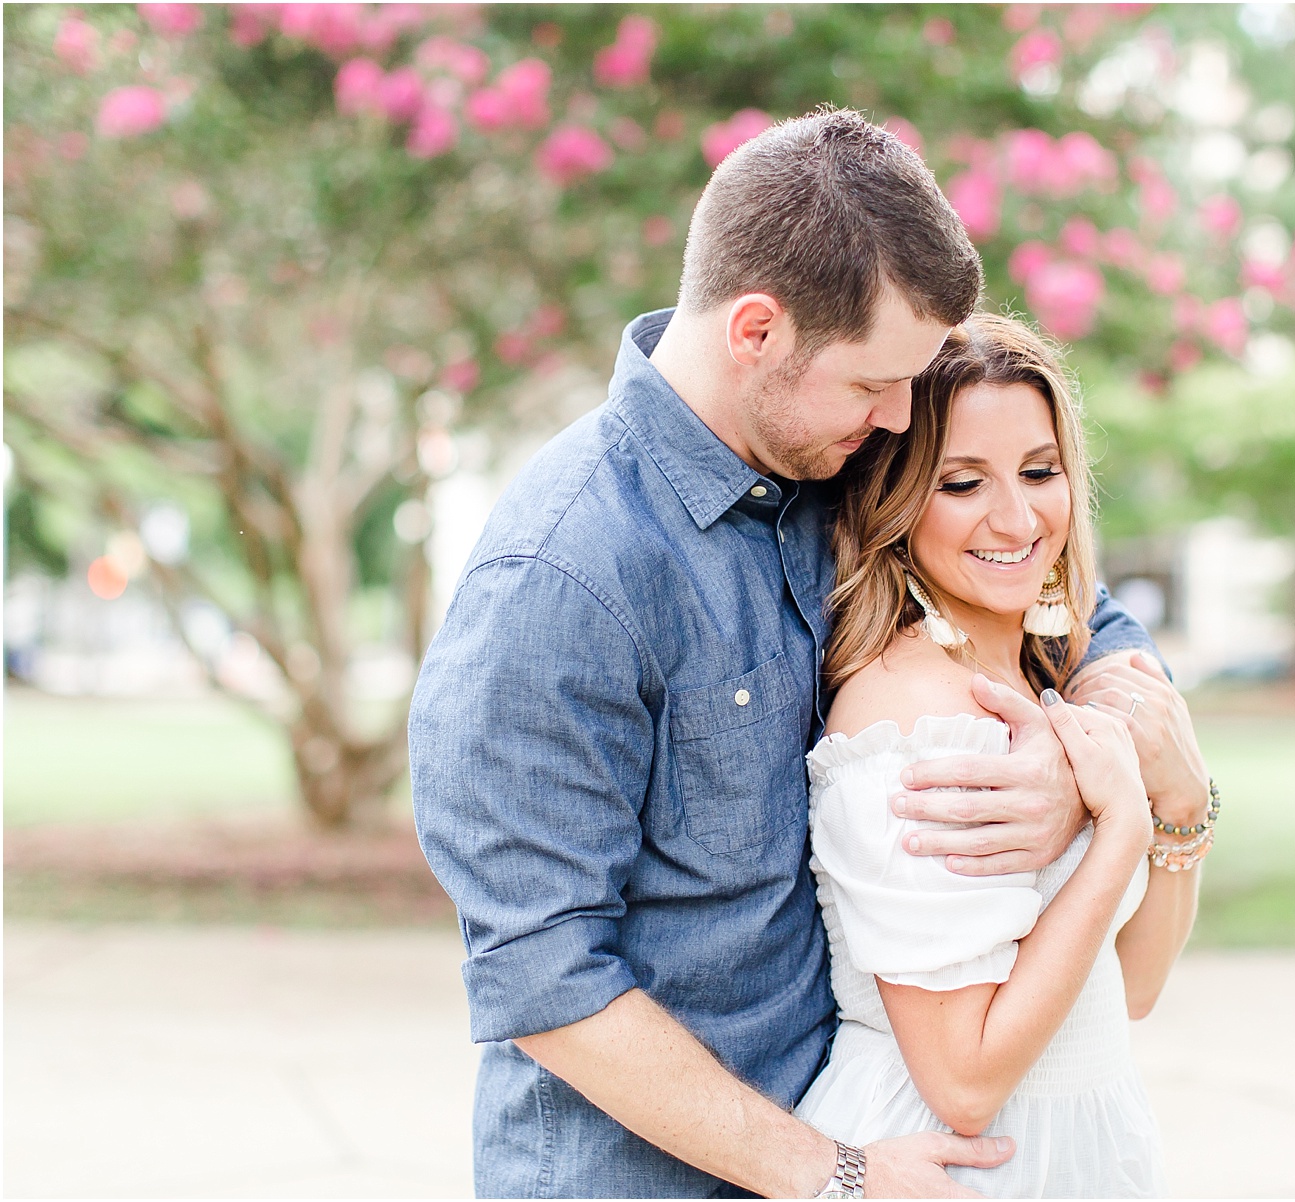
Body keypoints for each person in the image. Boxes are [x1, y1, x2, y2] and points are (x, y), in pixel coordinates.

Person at [409, 108, 1174, 1198]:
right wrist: (836, 1173)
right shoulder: (561, 575)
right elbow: (544, 977)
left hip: (849, 1112)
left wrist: (1069, 749)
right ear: (756, 330)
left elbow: (1070, 603)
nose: (903, 415)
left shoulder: (833, 463)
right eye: (874, 383)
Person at [793, 314, 1214, 1197]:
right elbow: (966, 1081)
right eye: (961, 483)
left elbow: (1128, 989)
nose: (1017, 517)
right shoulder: (906, 719)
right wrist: (1123, 829)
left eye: (1039, 471)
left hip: (1077, 1146)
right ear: (897, 503)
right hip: (950, 1160)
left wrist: (1180, 798)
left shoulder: (1037, 675)